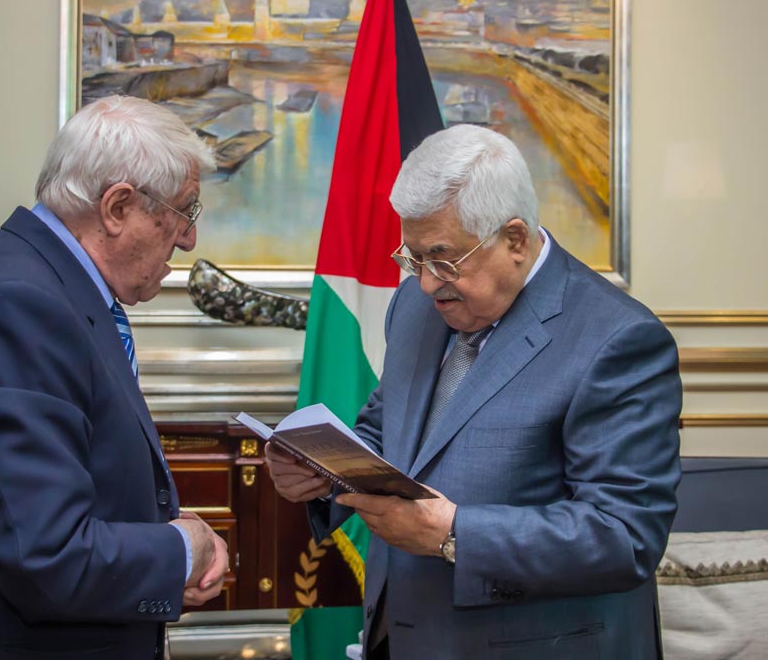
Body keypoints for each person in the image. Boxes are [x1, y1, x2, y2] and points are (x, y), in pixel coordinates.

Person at [266, 124, 682, 659]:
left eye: (443, 259)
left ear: (514, 239)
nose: (426, 282)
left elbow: (624, 536)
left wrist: (455, 532)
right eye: (413, 257)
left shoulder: (618, 338)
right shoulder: (416, 306)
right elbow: (388, 429)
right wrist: (320, 473)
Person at [0, 95, 229, 660]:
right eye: (184, 211)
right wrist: (180, 550)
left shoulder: (42, 285)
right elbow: (46, 555)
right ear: (117, 207)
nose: (188, 238)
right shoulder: (18, 305)